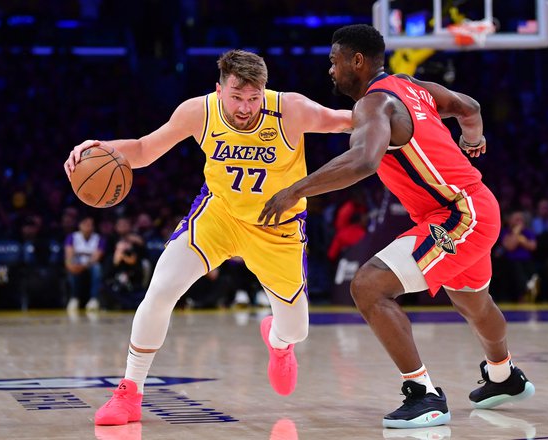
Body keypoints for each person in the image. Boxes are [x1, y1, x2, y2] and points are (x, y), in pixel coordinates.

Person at [259, 24, 534, 429]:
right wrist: (472, 141)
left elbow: (363, 161)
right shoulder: (410, 86)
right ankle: (503, 376)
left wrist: (295, 191)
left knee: (368, 286)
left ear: (357, 60)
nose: (330, 70)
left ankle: (425, 396)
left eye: (334, 61)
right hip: (476, 206)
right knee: (472, 302)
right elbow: (469, 107)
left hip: (458, 214)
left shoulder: (374, 105)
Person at [64, 49, 351, 426]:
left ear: (264, 90)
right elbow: (146, 149)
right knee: (162, 288)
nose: (246, 108)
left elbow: (347, 120)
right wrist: (100, 147)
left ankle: (278, 343)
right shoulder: (199, 112)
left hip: (276, 228)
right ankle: (129, 392)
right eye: (236, 97)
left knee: (297, 329)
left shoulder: (291, 110)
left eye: (253, 98)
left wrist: (409, 115)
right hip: (220, 216)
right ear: (219, 90)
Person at [64, 216, 105, 312]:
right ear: (79, 225)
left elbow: (96, 258)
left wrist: (83, 266)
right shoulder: (72, 237)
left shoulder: (99, 238)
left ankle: (94, 299)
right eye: (85, 224)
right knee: (72, 268)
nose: (88, 227)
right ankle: (74, 298)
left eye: (90, 225)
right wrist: (70, 266)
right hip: (76, 265)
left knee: (97, 268)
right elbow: (69, 256)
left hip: (90, 265)